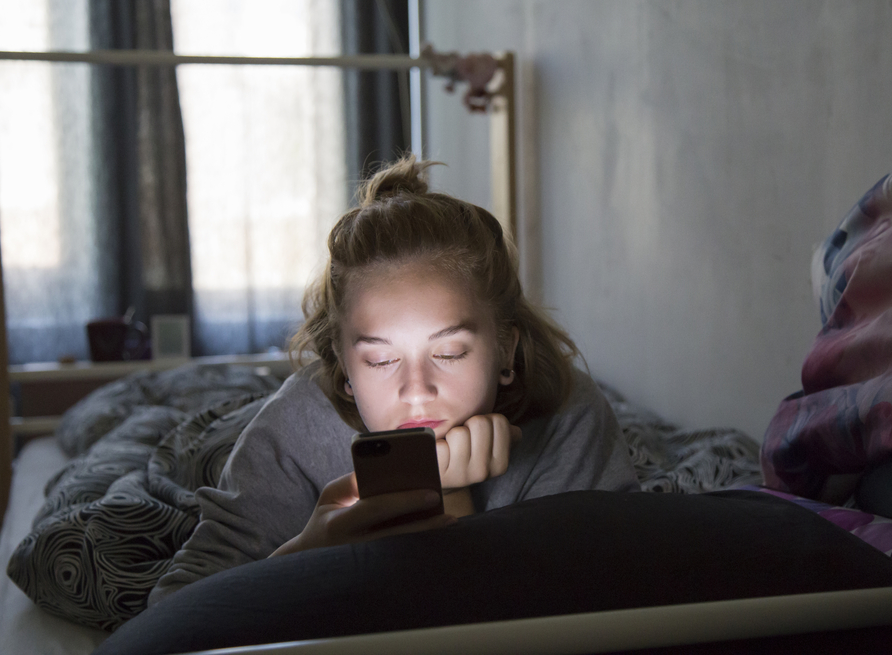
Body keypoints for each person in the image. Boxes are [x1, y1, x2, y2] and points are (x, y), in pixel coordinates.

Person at [148, 156, 638, 606]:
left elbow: (603, 606)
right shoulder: (292, 430)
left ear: (506, 349)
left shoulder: (568, 416)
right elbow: (171, 617)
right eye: (381, 361)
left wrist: (450, 500)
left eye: (448, 352)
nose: (417, 389)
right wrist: (309, 555)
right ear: (342, 370)